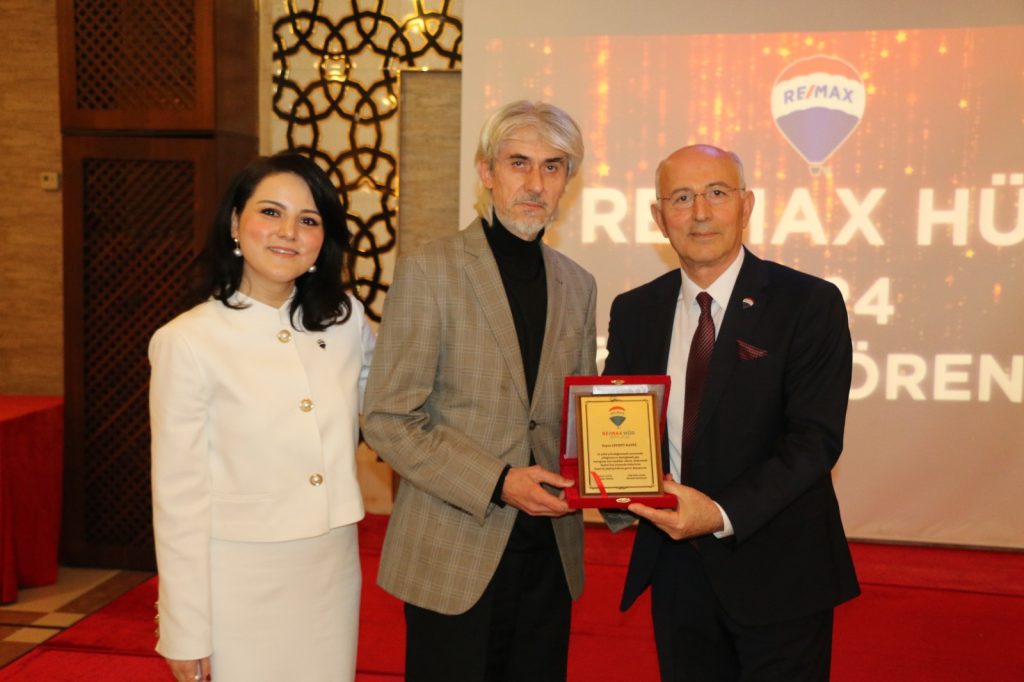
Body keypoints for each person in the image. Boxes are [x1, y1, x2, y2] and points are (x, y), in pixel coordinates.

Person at [603, 144, 859, 681]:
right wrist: (603, 480)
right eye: (681, 198)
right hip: (676, 569)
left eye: (717, 193)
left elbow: (814, 441)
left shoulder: (808, 303)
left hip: (780, 570)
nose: (700, 212)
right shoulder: (634, 311)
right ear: (659, 217)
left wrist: (719, 513)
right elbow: (617, 424)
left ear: (747, 205)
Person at [362, 100, 597, 681]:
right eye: (519, 163)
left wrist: (619, 474)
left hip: (549, 554)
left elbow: (575, 418)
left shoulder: (578, 284)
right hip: (453, 551)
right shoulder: (430, 269)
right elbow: (388, 418)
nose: (535, 183)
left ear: (567, 180)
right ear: (486, 171)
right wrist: (498, 482)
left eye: (552, 166)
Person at [149, 152, 375, 682]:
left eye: (308, 219)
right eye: (271, 212)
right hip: (238, 575)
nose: (288, 232)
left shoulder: (346, 321)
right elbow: (178, 496)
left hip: (331, 566)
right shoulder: (187, 340)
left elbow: (390, 409)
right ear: (235, 222)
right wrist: (185, 627)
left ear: (324, 239)